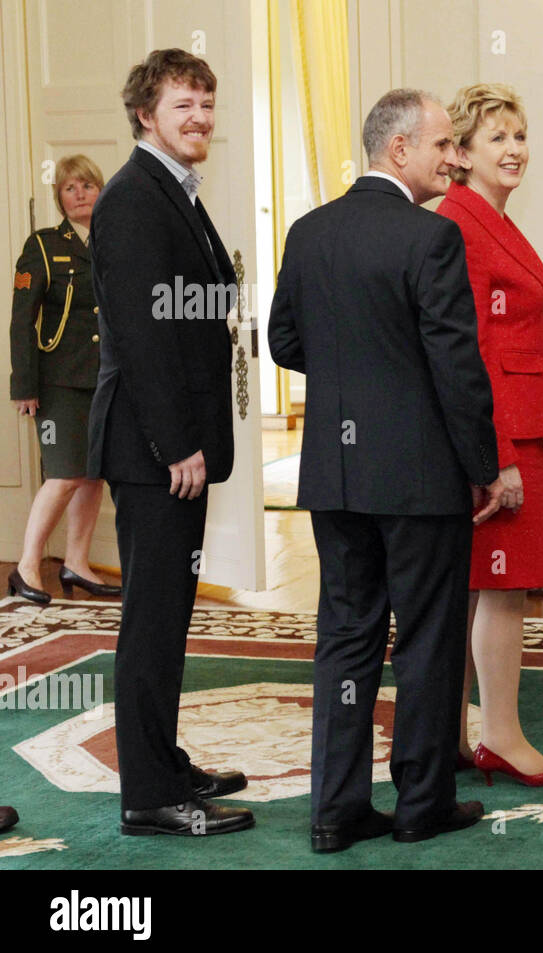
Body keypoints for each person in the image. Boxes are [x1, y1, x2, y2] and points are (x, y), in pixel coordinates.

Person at [269, 89, 501, 852]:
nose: (455, 157)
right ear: (399, 149)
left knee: (345, 636)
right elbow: (456, 369)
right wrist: (484, 467)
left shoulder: (307, 232)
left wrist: (352, 374)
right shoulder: (430, 239)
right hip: (418, 477)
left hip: (335, 477)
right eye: (444, 144)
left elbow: (284, 343)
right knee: (429, 641)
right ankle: (422, 804)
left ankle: (334, 811)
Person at [87, 49, 251, 837]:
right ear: (146, 114)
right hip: (154, 451)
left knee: (169, 612)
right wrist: (177, 444)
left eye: (207, 106)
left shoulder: (172, 192)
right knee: (151, 618)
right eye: (184, 105)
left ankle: (162, 759)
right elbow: (145, 336)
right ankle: (148, 795)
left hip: (172, 444)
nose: (201, 120)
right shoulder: (130, 199)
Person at [438, 83, 543, 787]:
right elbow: (472, 351)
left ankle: (456, 735)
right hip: (502, 437)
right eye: (496, 137)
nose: (514, 148)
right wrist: (495, 459)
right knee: (502, 589)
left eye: (519, 134)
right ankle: (499, 736)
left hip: (515, 427)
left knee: (478, 587)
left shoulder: (489, 215)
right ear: (460, 153)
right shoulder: (461, 221)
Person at [8, 155, 120, 605]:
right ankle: (27, 565)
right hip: (56, 382)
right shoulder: (42, 245)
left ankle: (76, 561)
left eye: (88, 186)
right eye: (70, 188)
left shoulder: (114, 242)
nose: (80, 194)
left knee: (93, 476)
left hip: (105, 378)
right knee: (65, 474)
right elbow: (22, 320)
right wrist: (24, 386)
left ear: (100, 190)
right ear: (59, 197)